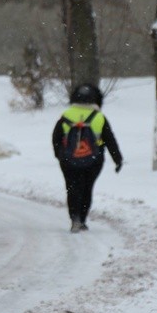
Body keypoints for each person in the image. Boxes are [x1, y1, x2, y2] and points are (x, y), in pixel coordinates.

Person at [52, 83, 122, 233]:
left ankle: (74, 218)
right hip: (93, 161)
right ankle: (82, 219)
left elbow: (56, 137)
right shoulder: (99, 117)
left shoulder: (66, 115)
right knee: (86, 189)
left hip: (69, 161)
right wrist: (118, 160)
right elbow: (110, 140)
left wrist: (60, 155)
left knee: (72, 188)